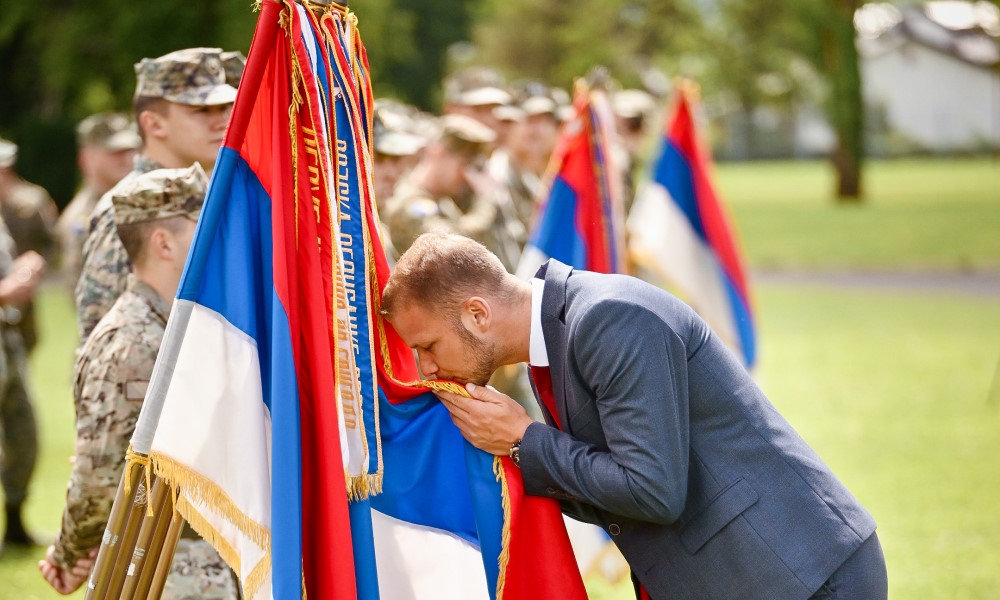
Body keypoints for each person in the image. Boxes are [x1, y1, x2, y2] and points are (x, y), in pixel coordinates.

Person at [381, 232, 888, 600]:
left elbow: (650, 490)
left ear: (477, 313)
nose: (425, 369)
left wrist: (524, 441)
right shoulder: (554, 340)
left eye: (427, 346)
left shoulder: (608, 318)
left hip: (796, 576)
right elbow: (607, 486)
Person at [39, 164, 239, 598]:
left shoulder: (182, 327)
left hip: (203, 564)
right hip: (163, 573)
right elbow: (98, 478)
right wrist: (70, 552)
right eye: (202, 227)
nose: (221, 238)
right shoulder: (131, 343)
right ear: (164, 243)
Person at [74, 47, 237, 344]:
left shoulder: (213, 196)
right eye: (201, 111)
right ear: (154, 123)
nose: (222, 121)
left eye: (226, 107)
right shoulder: (129, 208)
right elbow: (105, 338)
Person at [57, 113, 141, 288]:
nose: (127, 159)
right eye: (115, 152)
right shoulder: (79, 218)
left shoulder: (141, 199)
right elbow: (79, 288)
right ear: (85, 158)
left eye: (130, 150)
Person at [0, 137, 59, 355]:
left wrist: (37, 264)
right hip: (7, 287)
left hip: (23, 288)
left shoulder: (32, 200)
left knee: (23, 347)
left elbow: (50, 241)